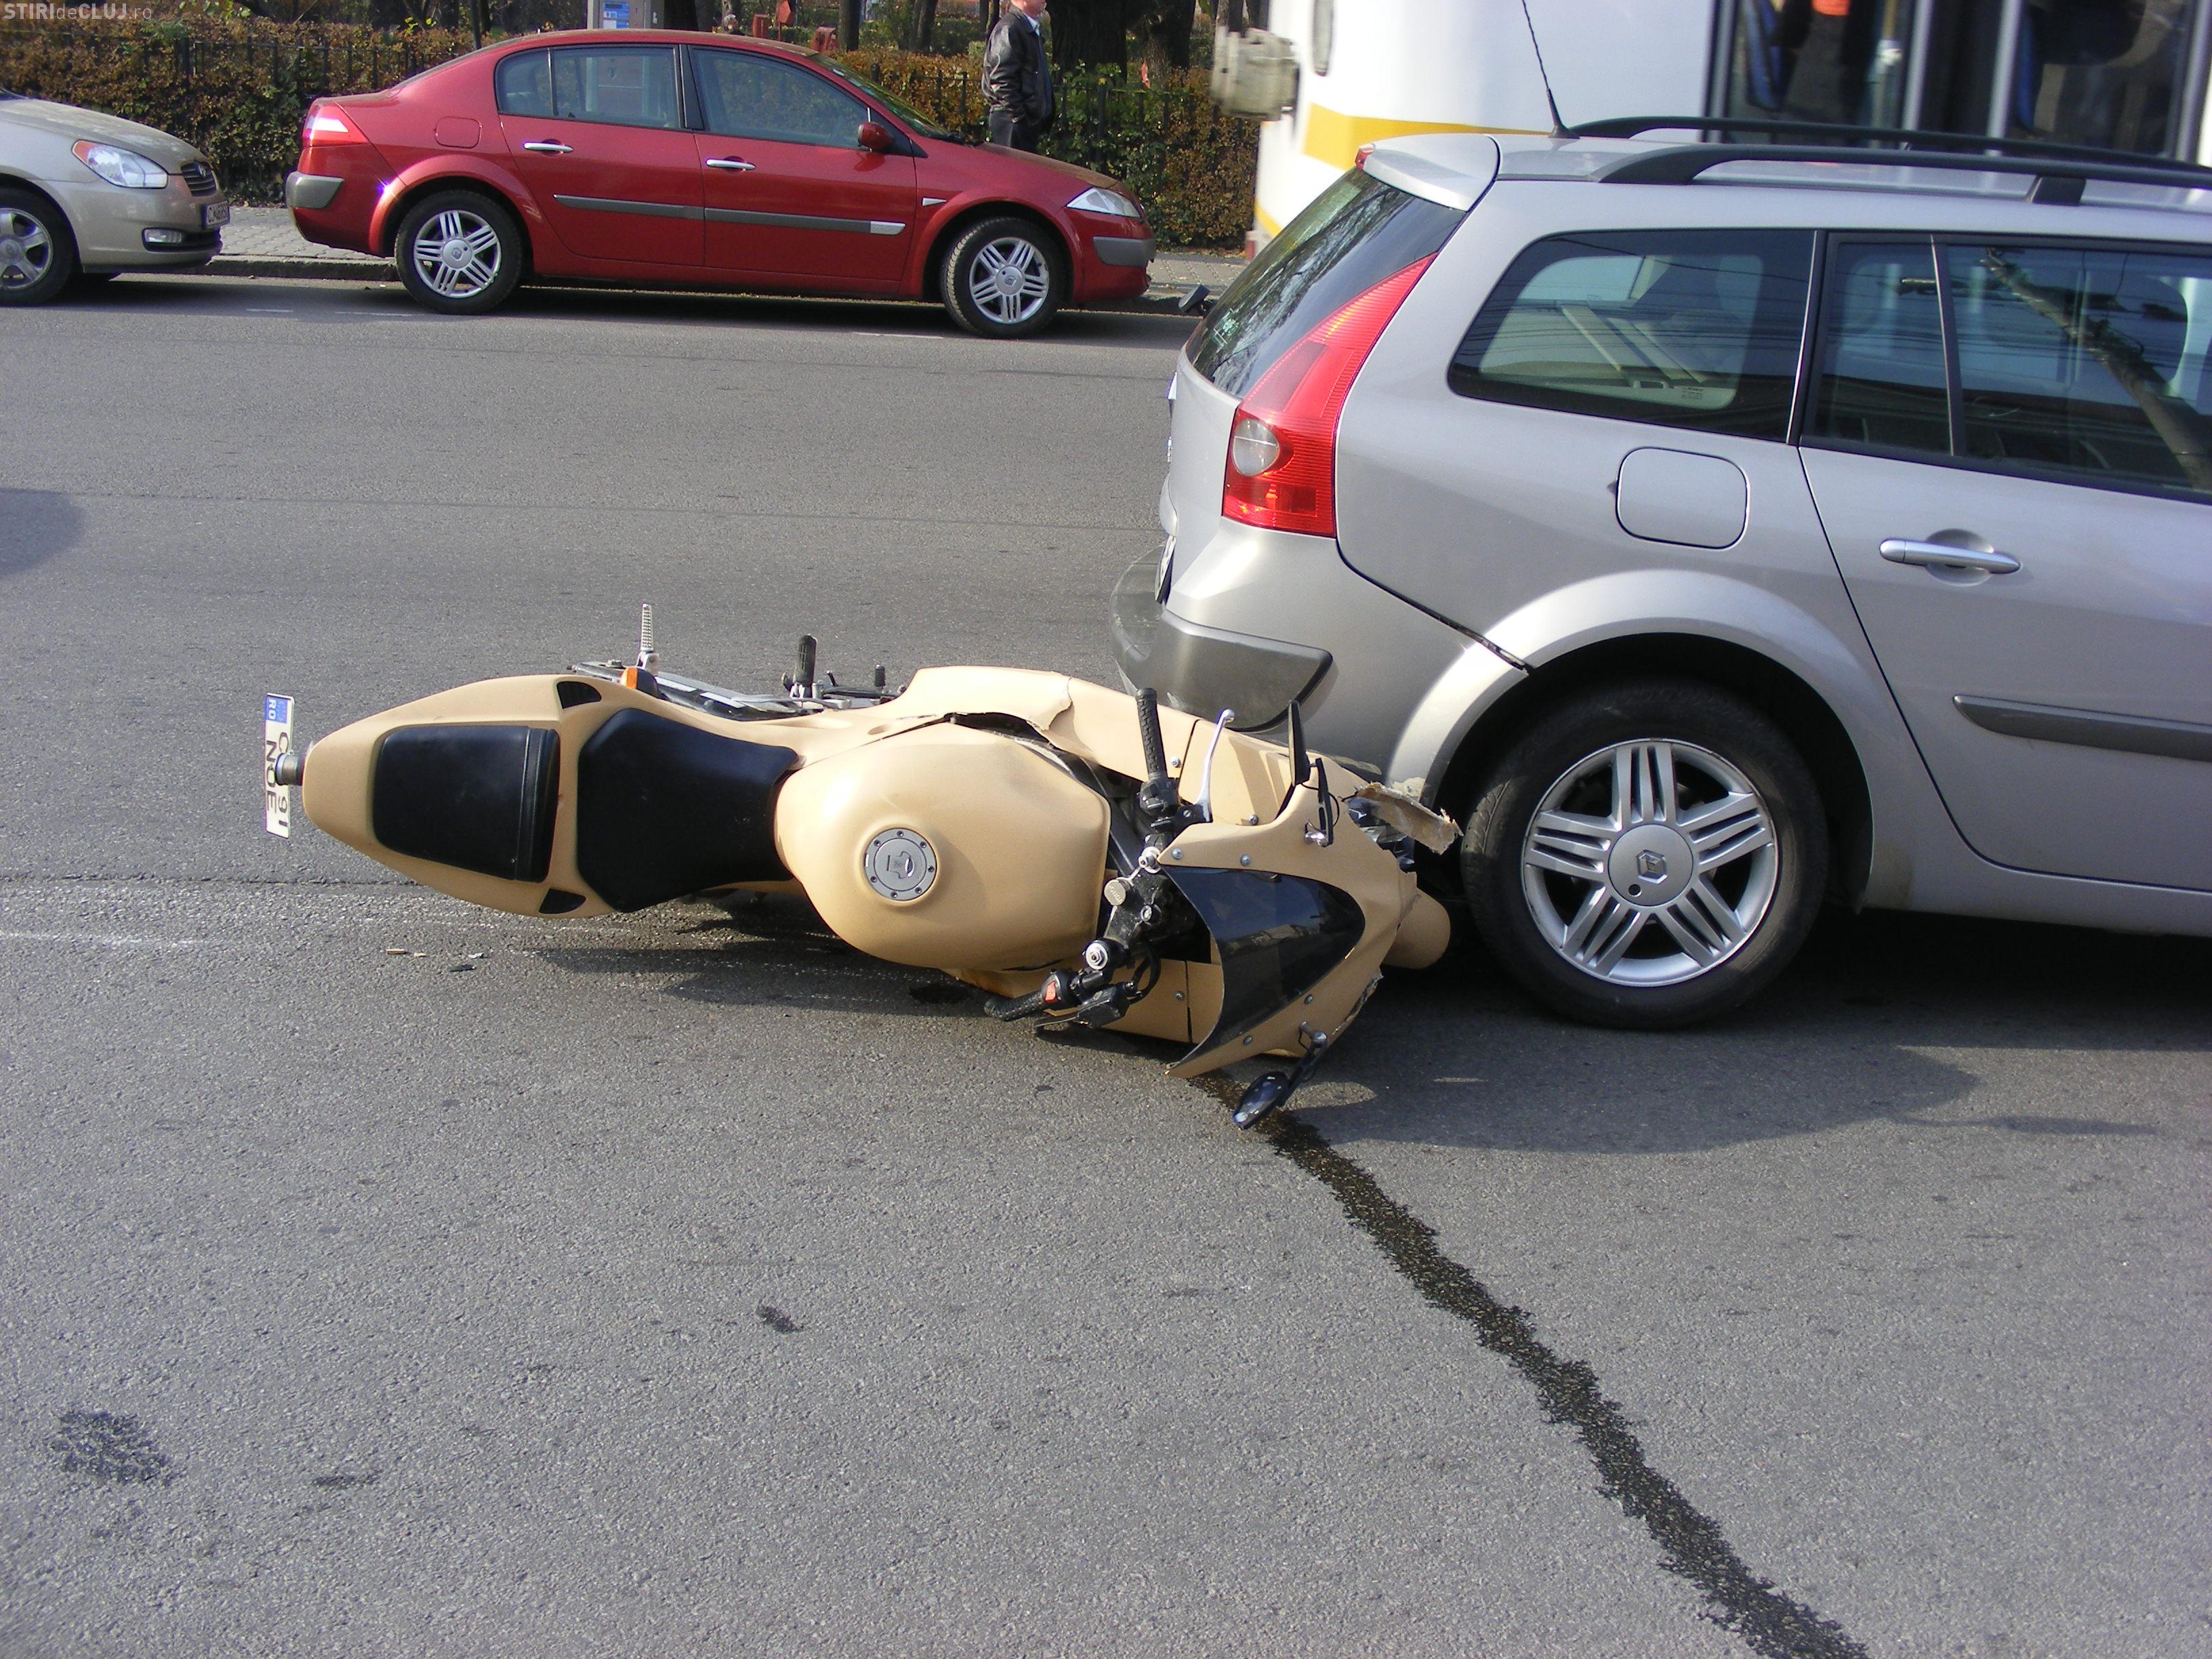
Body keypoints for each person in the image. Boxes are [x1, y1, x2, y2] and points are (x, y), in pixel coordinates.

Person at [983, 0, 1054, 152]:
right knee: (1014, 168)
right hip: (1012, 122)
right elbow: (1002, 80)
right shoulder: (1010, 28)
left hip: (1020, 121)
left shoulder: (1026, 28)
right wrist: (1019, 118)